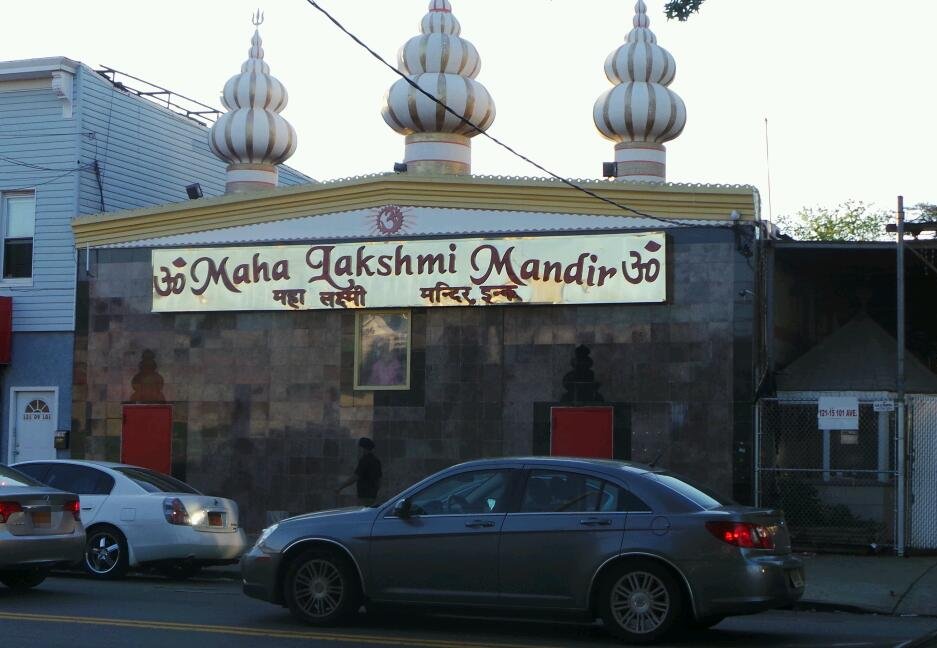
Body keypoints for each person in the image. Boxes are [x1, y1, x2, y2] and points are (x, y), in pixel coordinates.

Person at [336, 437, 382, 506]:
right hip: (372, 495)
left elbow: (355, 476)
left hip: (364, 495)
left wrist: (340, 487)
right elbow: (379, 480)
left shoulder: (365, 461)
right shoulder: (376, 461)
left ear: (363, 448)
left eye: (359, 447)